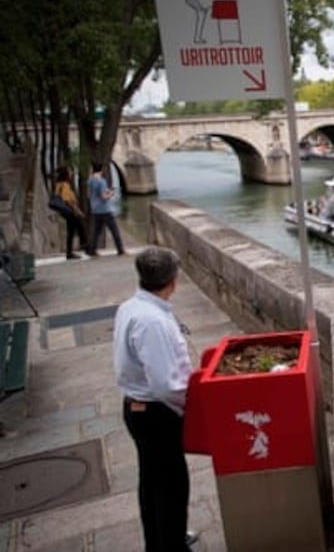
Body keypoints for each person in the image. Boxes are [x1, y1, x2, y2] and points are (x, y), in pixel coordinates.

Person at [113, 247, 197, 551]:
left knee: (151, 481)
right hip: (155, 413)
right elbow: (165, 384)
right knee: (172, 483)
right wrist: (187, 406)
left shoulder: (130, 307)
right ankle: (172, 545)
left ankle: (159, 541)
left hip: (136, 407)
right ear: (173, 280)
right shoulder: (152, 322)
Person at [86, 161, 126, 256]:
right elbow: (104, 197)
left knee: (96, 231)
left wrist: (106, 192)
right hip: (105, 209)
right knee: (114, 230)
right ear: (101, 170)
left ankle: (92, 250)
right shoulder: (101, 181)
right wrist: (111, 193)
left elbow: (89, 194)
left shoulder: (90, 181)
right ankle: (120, 250)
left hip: (95, 209)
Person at [53, 166, 88, 260]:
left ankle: (71, 251)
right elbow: (67, 200)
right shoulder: (65, 185)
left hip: (65, 211)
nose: (71, 174)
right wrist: (76, 211)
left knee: (72, 230)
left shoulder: (59, 184)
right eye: (70, 172)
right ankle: (84, 244)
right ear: (66, 175)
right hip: (69, 211)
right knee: (78, 226)